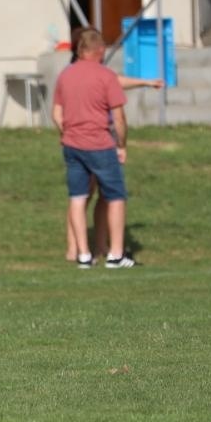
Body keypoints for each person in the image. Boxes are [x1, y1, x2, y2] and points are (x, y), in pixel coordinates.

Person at [60, 28, 163, 264]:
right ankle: (76, 249)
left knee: (95, 196)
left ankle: (96, 248)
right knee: (85, 196)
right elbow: (117, 108)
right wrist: (121, 144)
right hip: (95, 142)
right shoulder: (74, 73)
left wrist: (145, 81)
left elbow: (115, 81)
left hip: (82, 141)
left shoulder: (85, 73)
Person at [52, 28, 136, 269]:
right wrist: (121, 145)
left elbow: (57, 113)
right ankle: (115, 255)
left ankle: (84, 255)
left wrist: (65, 133)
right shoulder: (106, 76)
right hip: (99, 144)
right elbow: (119, 119)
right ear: (101, 50)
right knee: (115, 196)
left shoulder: (65, 76)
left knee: (78, 197)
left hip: (72, 145)